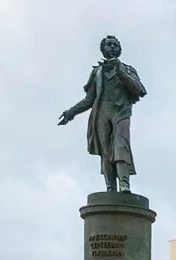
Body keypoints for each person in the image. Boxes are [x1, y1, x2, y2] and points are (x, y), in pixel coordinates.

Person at [58, 35, 147, 193]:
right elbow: (89, 99)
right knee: (105, 152)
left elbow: (139, 89)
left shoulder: (127, 69)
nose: (112, 47)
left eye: (115, 45)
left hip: (121, 112)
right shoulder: (97, 72)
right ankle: (110, 187)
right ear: (103, 49)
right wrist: (71, 112)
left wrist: (120, 71)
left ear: (119, 50)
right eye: (109, 45)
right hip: (101, 113)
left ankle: (124, 184)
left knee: (121, 146)